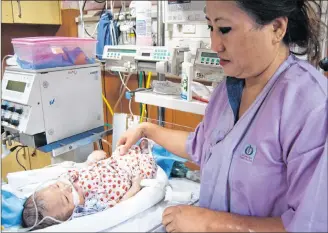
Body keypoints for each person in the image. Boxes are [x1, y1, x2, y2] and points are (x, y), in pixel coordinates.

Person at [117, 0, 327, 232]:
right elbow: (200, 146)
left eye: (225, 29)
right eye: (211, 28)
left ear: (276, 28)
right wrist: (147, 129)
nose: (215, 44)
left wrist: (209, 223)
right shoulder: (227, 91)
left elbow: (310, 225)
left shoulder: (310, 104)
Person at [22, 139, 157, 230]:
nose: (67, 187)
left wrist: (91, 159)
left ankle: (138, 149)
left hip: (114, 162)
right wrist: (134, 187)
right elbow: (121, 203)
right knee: (147, 170)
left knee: (121, 150)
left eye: (56, 186)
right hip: (129, 174)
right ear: (69, 217)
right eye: (66, 198)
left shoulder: (69, 179)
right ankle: (146, 153)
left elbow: (84, 167)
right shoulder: (92, 206)